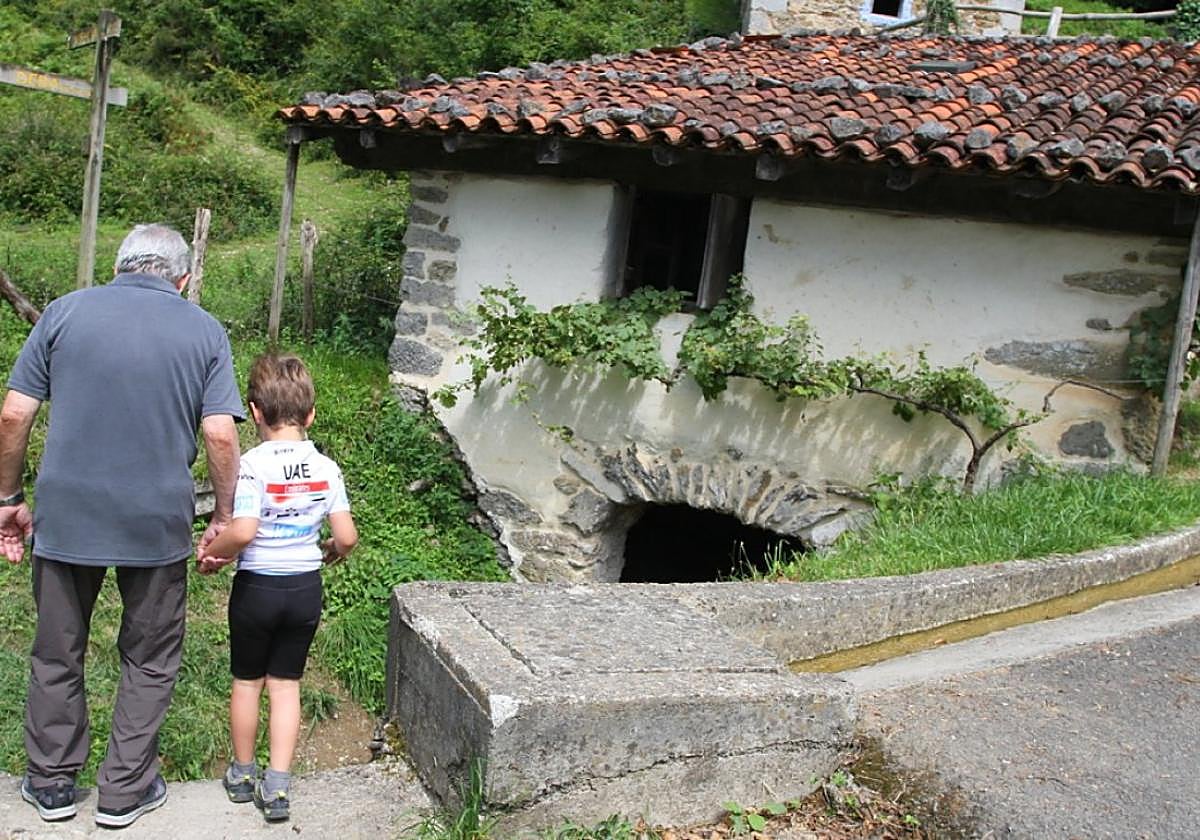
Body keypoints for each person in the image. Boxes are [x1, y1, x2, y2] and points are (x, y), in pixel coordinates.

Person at [0, 223, 243, 828]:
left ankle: (53, 784)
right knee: (150, 657)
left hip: (67, 513)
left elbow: (13, 413)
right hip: (155, 521)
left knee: (58, 650)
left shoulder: (61, 313)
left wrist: (7, 496)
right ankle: (124, 790)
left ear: (119, 266)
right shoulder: (204, 329)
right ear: (182, 280)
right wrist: (225, 516)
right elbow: (219, 432)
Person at [197, 352, 356, 823]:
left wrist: (214, 553)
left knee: (247, 682)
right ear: (310, 414)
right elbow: (347, 536)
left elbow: (243, 530)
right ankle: (279, 786)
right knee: (286, 685)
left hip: (258, 588)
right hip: (304, 588)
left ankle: (242, 775)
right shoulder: (326, 467)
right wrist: (330, 549)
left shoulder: (252, 465)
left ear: (254, 412)